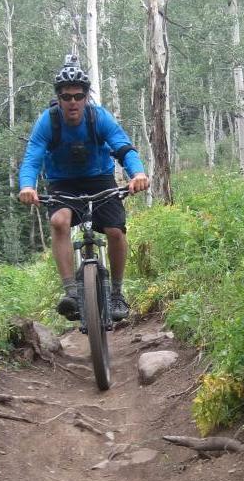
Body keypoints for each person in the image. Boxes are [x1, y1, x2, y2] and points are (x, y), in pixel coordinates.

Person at [18, 55, 149, 321]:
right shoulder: (48, 121)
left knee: (114, 230)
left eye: (78, 96)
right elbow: (32, 158)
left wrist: (138, 173)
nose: (73, 102)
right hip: (62, 182)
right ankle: (72, 293)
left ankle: (116, 293)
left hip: (99, 178)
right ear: (59, 98)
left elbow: (123, 147)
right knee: (59, 221)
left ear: (87, 96)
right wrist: (27, 186)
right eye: (66, 97)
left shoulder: (99, 117)